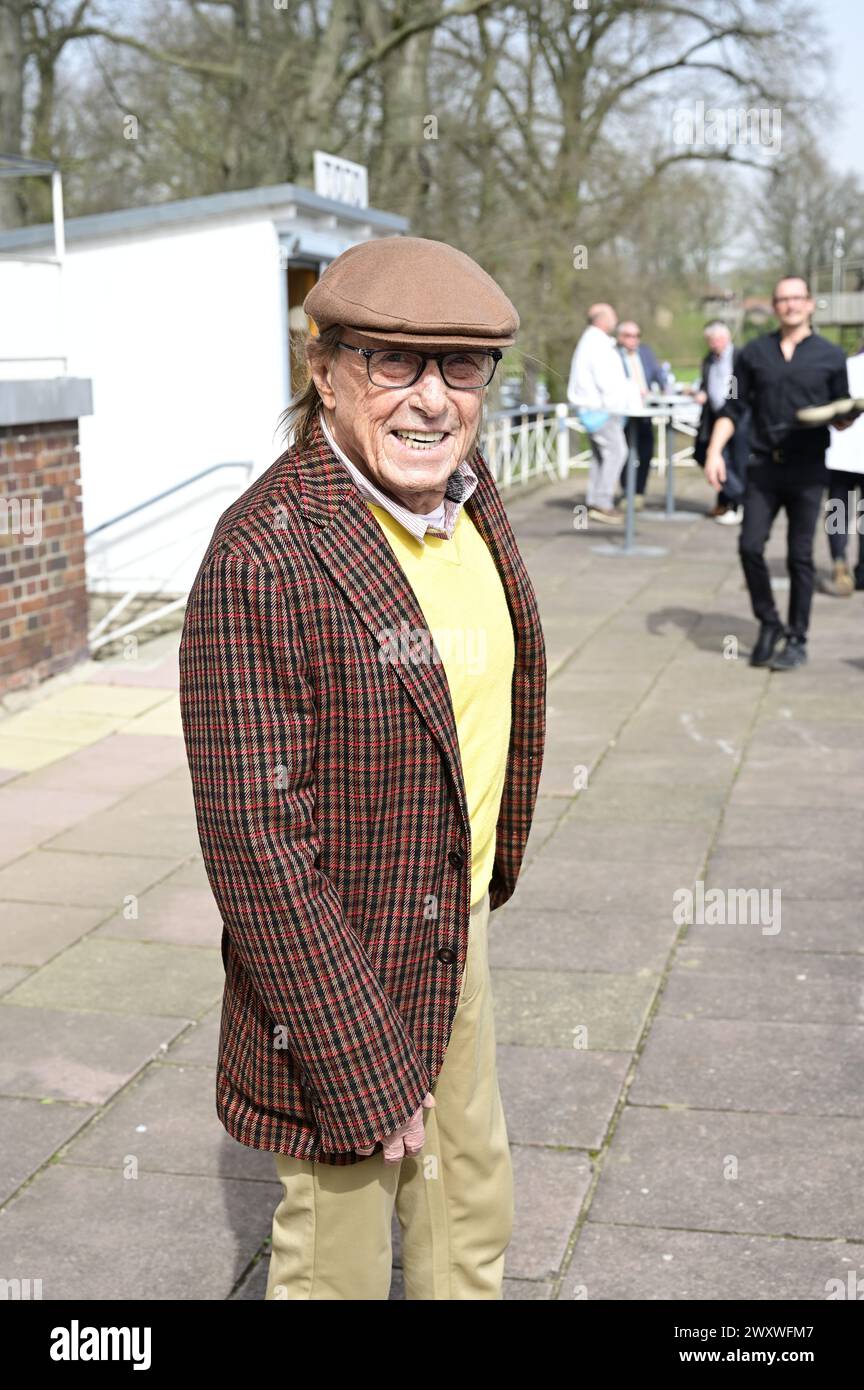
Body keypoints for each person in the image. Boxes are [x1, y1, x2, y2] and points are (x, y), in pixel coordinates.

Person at [178, 235, 547, 1300]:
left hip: (452, 922)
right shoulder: (265, 555)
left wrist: (476, 892)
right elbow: (255, 842)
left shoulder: (471, 500)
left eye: (461, 366)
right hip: (332, 972)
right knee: (335, 1264)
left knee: (470, 1206)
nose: (432, 399)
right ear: (325, 369)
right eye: (395, 362)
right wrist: (359, 1057)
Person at [705, 275, 853, 670]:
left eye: (797, 298)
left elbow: (840, 414)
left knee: (800, 557)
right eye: (782, 299)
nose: (790, 305)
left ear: (809, 304)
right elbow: (733, 407)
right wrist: (715, 451)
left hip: (808, 470)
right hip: (762, 466)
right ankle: (769, 621)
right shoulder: (753, 354)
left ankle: (797, 639)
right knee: (750, 547)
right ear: (775, 306)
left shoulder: (831, 355)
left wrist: (845, 416)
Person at [567, 302, 632, 524]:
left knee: (600, 457)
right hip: (602, 410)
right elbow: (608, 380)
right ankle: (603, 502)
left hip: (594, 409)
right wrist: (617, 407)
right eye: (612, 314)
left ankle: (595, 500)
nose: (616, 318)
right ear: (602, 319)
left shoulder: (592, 341)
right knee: (617, 452)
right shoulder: (598, 344)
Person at [692, 321, 750, 524]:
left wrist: (731, 403)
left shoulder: (740, 357)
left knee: (735, 460)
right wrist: (701, 392)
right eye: (711, 340)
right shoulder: (709, 360)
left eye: (718, 339)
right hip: (715, 416)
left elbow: (739, 385)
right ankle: (731, 500)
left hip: (739, 416)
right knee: (709, 456)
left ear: (727, 338)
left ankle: (738, 503)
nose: (715, 343)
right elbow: (707, 383)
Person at [821, 341, 864, 595]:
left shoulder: (845, 366)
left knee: (838, 511)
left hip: (840, 454)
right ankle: (862, 571)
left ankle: (839, 561)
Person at [615, 320, 668, 509]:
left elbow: (657, 373)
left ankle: (639, 492)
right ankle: (627, 491)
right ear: (620, 337)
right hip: (624, 411)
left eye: (637, 335)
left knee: (646, 451)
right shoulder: (613, 355)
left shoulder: (645, 352)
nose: (633, 340)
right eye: (628, 335)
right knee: (625, 452)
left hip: (645, 410)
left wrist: (664, 388)